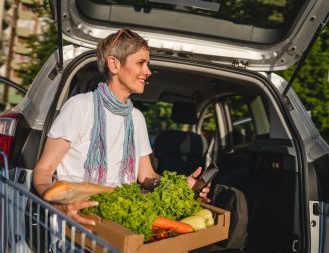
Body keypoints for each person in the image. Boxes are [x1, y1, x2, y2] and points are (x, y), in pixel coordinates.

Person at [33, 28, 210, 226]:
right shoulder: (80, 107)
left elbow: (147, 176)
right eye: (141, 63)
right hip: (77, 222)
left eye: (147, 64)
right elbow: (43, 170)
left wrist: (180, 185)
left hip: (119, 222)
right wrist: (59, 205)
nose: (148, 71)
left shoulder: (137, 118)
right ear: (114, 64)